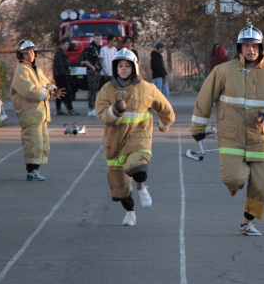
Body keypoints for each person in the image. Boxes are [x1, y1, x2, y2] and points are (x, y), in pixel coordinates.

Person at [190, 25, 264, 236]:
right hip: (231, 136)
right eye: (246, 45)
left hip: (261, 139)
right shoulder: (223, 71)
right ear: (239, 48)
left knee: (263, 187)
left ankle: (247, 222)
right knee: (233, 179)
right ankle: (243, 178)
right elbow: (204, 99)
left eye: (254, 46)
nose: (250, 50)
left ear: (261, 48)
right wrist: (198, 128)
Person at [96, 49, 175, 226]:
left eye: (127, 66)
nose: (123, 69)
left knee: (137, 168)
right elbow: (101, 114)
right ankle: (130, 213)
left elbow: (166, 109)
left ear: (134, 68)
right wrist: (115, 110)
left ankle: (141, 187)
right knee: (119, 189)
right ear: (115, 68)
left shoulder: (147, 88)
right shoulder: (106, 90)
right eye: (120, 66)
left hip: (139, 138)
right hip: (114, 143)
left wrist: (164, 125)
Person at [10, 40, 65, 181]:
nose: (30, 55)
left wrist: (54, 89)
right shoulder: (21, 70)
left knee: (41, 143)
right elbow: (30, 91)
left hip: (40, 114)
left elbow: (46, 83)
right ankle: (31, 170)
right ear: (20, 55)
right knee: (32, 142)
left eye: (32, 52)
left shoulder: (35, 69)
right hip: (30, 113)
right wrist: (48, 93)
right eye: (26, 53)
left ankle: (35, 170)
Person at [53, 37, 78, 116]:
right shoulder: (59, 53)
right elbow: (60, 65)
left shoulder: (61, 53)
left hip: (60, 76)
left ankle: (59, 109)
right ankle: (70, 109)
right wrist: (65, 75)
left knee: (60, 93)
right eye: (66, 44)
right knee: (66, 93)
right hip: (61, 76)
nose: (68, 46)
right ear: (62, 44)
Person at [79, 32, 103, 116]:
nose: (98, 41)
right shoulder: (90, 48)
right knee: (92, 90)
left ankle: (95, 107)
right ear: (94, 39)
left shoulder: (100, 48)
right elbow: (84, 59)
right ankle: (90, 108)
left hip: (98, 71)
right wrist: (92, 67)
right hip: (91, 71)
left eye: (100, 39)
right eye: (97, 39)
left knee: (96, 89)